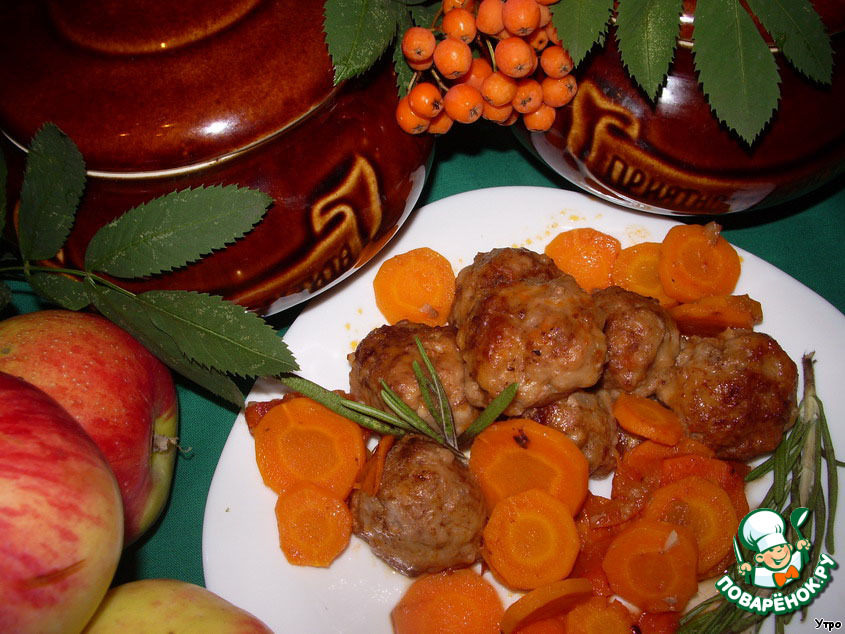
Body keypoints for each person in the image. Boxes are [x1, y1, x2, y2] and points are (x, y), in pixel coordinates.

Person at [736, 508, 810, 589]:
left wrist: (802, 547)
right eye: (771, 550)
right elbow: (751, 574)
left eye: (781, 547)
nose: (778, 553)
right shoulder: (765, 575)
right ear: (760, 558)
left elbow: (802, 556)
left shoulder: (794, 562)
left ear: (789, 547)